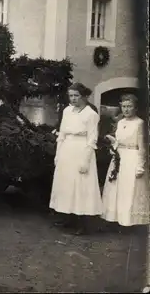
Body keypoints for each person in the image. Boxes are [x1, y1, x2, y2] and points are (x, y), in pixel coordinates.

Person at [50, 82, 102, 235]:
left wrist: (85, 161)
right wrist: (58, 155)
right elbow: (62, 134)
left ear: (84, 96)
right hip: (67, 149)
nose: (73, 99)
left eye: (76, 96)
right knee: (66, 184)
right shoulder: (67, 111)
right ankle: (68, 218)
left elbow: (92, 139)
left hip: (81, 150)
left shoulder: (91, 114)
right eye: (71, 96)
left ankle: (82, 223)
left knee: (80, 186)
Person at [101, 94, 149, 227]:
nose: (126, 110)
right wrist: (113, 145)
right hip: (119, 158)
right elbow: (119, 141)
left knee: (129, 189)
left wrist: (140, 166)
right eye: (124, 106)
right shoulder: (120, 122)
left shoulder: (140, 123)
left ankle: (129, 220)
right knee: (117, 188)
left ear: (135, 108)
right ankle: (117, 219)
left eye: (129, 106)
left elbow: (142, 147)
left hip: (132, 158)